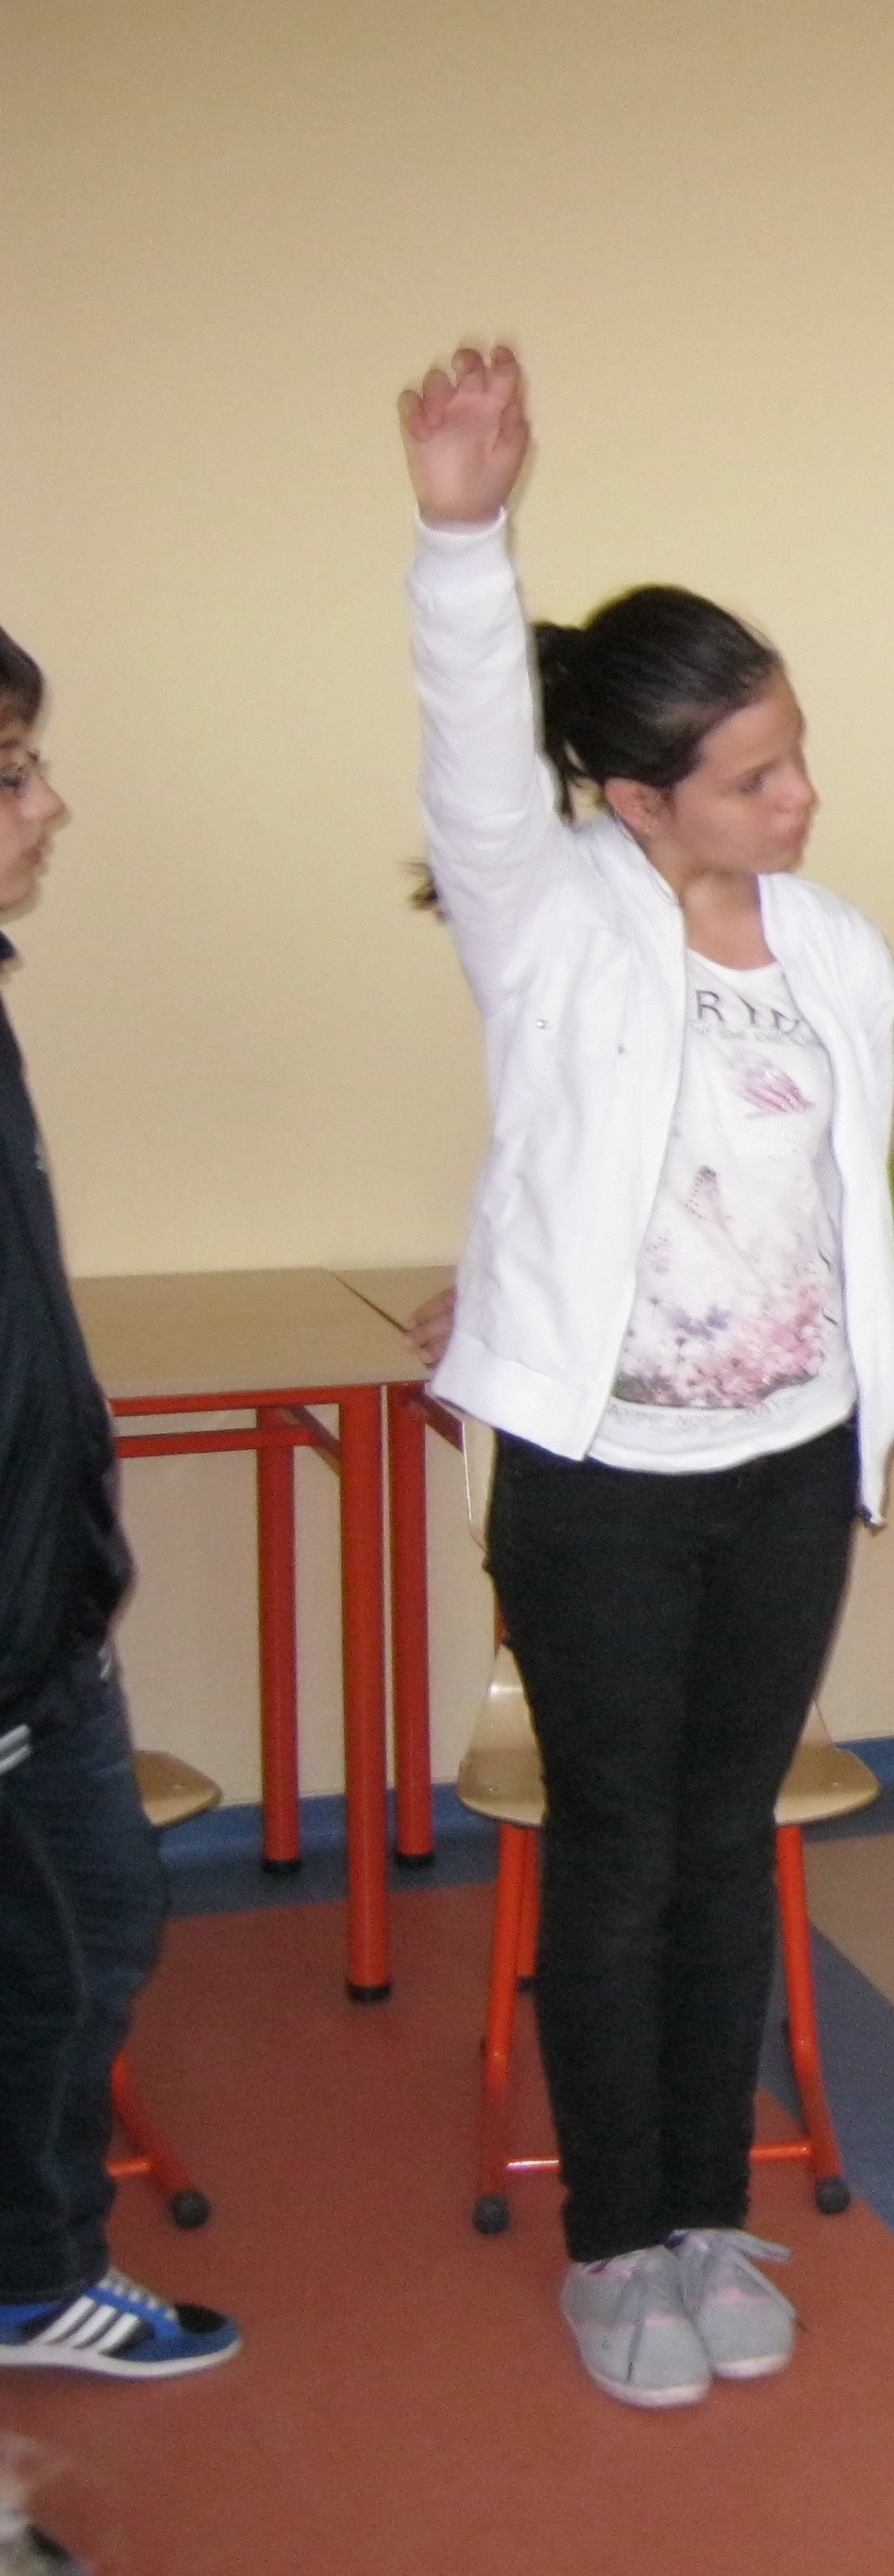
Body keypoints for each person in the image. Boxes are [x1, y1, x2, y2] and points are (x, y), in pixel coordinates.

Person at [399, 346, 894, 2407]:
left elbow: (833, 1211)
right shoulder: (553, 924)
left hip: (786, 1467)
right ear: (635, 800)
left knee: (725, 1845)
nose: (796, 802)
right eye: (752, 778)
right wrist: (462, 538)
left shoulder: (839, 951)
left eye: (796, 758)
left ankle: (709, 2210)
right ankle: (616, 2242)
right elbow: (469, 753)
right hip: (602, 1479)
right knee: (614, 1858)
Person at [0, 626, 242, 2405]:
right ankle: (31, 2278)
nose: (49, 804)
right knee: (66, 1954)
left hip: (43, 1606)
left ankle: (31, 2266)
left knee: (92, 1935)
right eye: (14, 775)